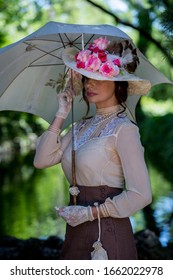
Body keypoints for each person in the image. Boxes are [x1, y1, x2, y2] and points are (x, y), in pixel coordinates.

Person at [33, 37, 152, 260]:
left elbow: (141, 195)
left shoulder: (124, 129)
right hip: (75, 230)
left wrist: (89, 213)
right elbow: (41, 161)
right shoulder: (80, 125)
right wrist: (61, 113)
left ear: (119, 82)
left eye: (98, 78)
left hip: (106, 235)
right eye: (87, 78)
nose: (89, 84)